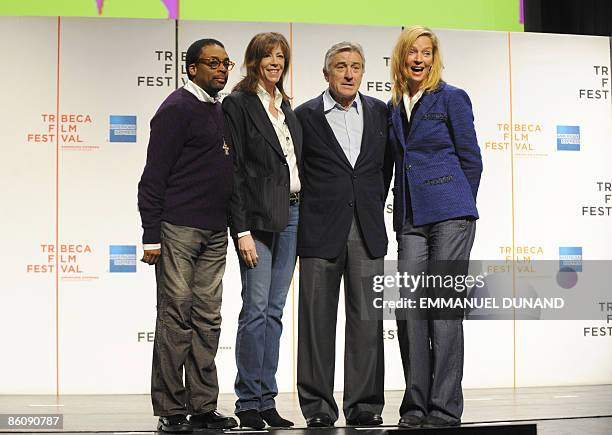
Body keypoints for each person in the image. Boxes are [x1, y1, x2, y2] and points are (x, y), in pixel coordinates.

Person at [138, 38, 238, 434]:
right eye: (212, 63)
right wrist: (151, 235)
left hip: (216, 231)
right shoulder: (176, 109)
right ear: (191, 68)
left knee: (207, 320)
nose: (221, 69)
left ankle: (203, 406)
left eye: (225, 63)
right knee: (175, 317)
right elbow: (153, 177)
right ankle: (171, 409)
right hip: (177, 229)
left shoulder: (220, 110)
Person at [387, 26, 483, 428]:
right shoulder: (393, 106)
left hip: (449, 215)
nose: (419, 59)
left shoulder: (452, 98)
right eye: (413, 52)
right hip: (410, 217)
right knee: (410, 311)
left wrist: (458, 204)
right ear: (401, 58)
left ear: (434, 57)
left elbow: (471, 159)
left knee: (443, 311)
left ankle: (444, 408)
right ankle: (415, 406)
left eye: (426, 52)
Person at [295, 41, 392, 428]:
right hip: (320, 232)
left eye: (355, 67)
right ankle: (318, 408)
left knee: (368, 322)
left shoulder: (380, 112)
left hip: (367, 230)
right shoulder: (304, 116)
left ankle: (365, 406)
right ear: (326, 73)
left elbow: (382, 171)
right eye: (340, 66)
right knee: (316, 325)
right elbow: (297, 172)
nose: (349, 73)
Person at [222, 32, 301, 429]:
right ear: (253, 61)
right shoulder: (238, 104)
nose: (275, 62)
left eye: (281, 57)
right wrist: (241, 231)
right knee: (255, 311)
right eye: (268, 56)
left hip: (292, 215)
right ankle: (248, 401)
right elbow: (234, 171)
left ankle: (267, 399)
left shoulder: (286, 106)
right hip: (255, 219)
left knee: (274, 312)